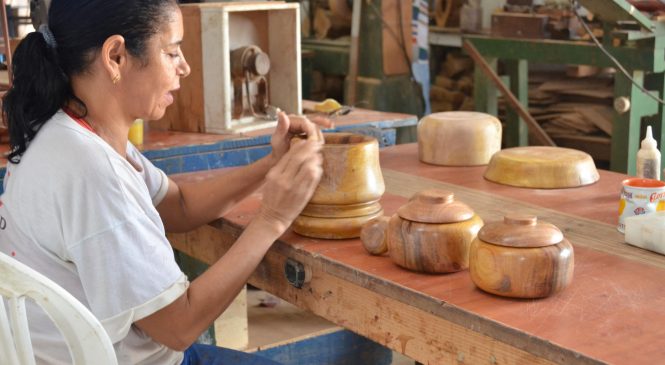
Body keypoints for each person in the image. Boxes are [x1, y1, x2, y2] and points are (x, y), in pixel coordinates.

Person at [0, 0, 329, 364]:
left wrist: (270, 165)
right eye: (172, 52)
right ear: (116, 56)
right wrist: (272, 219)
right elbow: (179, 326)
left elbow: (179, 204)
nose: (184, 67)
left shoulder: (73, 128)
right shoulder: (91, 170)